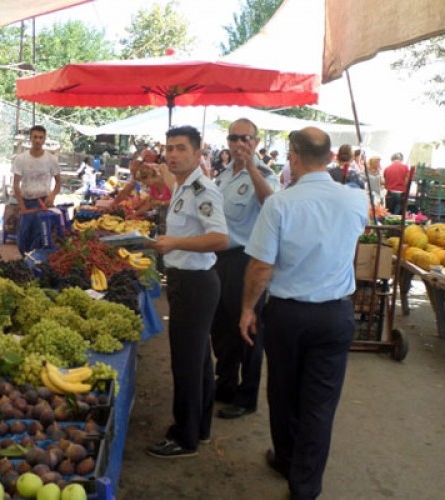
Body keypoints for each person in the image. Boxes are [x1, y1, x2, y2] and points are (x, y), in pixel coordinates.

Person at [239, 127, 367, 500]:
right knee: (320, 403)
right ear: (330, 158)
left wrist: (247, 308)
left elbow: (261, 267)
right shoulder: (356, 200)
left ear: (293, 156)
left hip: (288, 315)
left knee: (283, 391)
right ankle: (305, 487)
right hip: (335, 315)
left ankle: (286, 457)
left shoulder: (281, 203)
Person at [146, 125, 229, 458]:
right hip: (186, 282)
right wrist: (160, 176)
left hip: (196, 285)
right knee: (199, 363)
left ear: (198, 153)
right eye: (169, 148)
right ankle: (200, 427)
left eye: (181, 148)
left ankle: (184, 437)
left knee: (186, 363)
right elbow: (169, 179)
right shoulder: (183, 185)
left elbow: (221, 238)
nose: (173, 154)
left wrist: (175, 242)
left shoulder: (203, 190)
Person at [211, 118, 280, 420]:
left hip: (246, 261)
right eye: (233, 138)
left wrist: (252, 167)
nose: (239, 144)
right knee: (222, 327)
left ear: (256, 141)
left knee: (249, 330)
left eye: (245, 138)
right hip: (220, 259)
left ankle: (246, 395)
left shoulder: (265, 174)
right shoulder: (224, 175)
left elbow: (270, 204)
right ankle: (225, 384)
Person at [11, 125, 61, 254]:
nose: (38, 140)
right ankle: (25, 264)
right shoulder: (21, 159)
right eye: (35, 137)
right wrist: (22, 207)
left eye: (41, 137)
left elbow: (58, 182)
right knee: (23, 239)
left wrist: (52, 196)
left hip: (44, 204)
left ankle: (36, 265)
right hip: (26, 204)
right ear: (30, 139)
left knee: (41, 239)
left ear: (44, 139)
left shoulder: (51, 159)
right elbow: (16, 184)